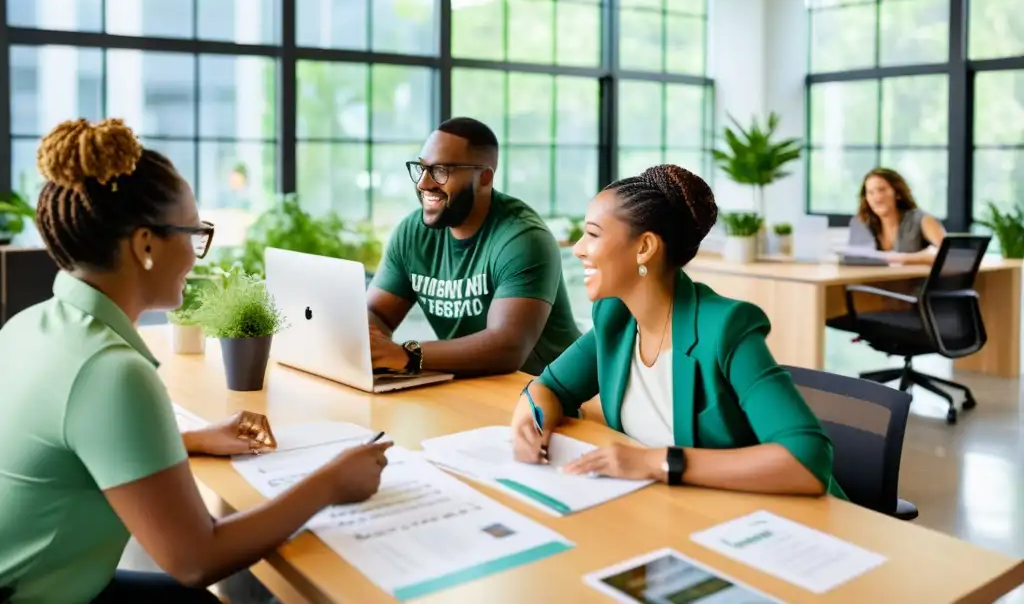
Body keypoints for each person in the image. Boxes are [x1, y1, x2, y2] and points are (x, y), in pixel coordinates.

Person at [0, 119, 393, 604]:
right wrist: (330, 483)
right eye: (193, 233)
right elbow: (194, 560)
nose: (196, 254)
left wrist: (188, 441)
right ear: (145, 245)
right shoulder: (110, 371)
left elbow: (65, 450)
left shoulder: (30, 326)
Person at [510, 165, 845, 497]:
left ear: (644, 248)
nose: (579, 248)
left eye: (593, 234)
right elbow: (549, 387)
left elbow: (807, 459)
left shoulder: (724, 328)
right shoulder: (617, 316)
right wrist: (531, 424)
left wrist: (656, 463)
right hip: (675, 512)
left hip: (782, 522)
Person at [367, 117, 581, 378]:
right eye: (421, 168)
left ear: (484, 178)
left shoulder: (523, 238)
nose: (423, 183)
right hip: (470, 384)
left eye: (441, 171)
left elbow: (507, 346)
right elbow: (377, 312)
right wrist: (367, 342)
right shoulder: (412, 233)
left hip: (547, 394)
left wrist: (407, 355)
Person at [848, 167, 945, 264]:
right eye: (870, 193)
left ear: (897, 193)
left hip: (915, 278)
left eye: (882, 190)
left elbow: (947, 253)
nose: (877, 197)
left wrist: (900, 258)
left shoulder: (922, 219)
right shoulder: (862, 223)